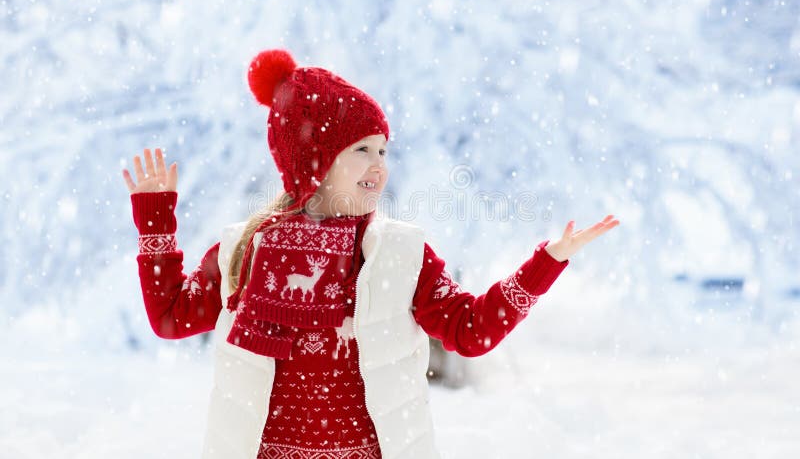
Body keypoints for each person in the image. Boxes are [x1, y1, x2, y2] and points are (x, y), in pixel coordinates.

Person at [122, 48, 620, 459]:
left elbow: (471, 330)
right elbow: (171, 315)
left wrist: (546, 262)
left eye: (384, 151)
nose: (379, 166)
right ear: (314, 160)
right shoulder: (246, 251)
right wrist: (155, 221)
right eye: (362, 149)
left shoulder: (397, 255)